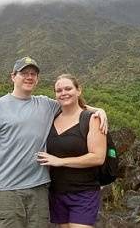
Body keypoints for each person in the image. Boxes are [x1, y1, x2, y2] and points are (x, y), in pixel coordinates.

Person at [0, 57, 107, 228]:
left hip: (39, 189)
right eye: (24, 73)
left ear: (37, 79)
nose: (29, 77)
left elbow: (71, 103)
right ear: (13, 76)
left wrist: (100, 111)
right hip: (7, 189)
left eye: (33, 74)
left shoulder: (45, 105)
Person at [37, 74, 107, 228]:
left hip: (83, 192)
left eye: (68, 88)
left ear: (78, 90)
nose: (64, 93)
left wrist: (60, 161)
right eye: (59, 90)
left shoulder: (91, 119)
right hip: (57, 192)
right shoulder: (52, 117)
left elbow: (98, 157)